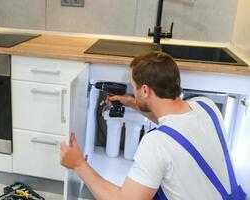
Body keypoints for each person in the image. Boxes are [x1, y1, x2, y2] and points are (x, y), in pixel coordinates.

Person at [60, 51, 245, 200]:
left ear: (146, 90)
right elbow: (175, 125)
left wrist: (79, 164)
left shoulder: (156, 143)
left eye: (134, 86)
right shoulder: (206, 105)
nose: (133, 90)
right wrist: (131, 102)